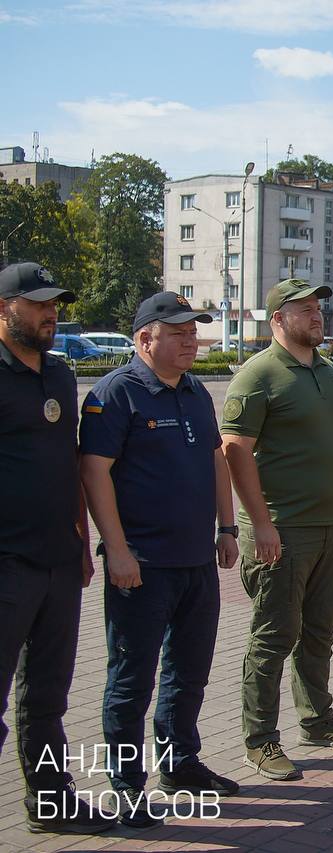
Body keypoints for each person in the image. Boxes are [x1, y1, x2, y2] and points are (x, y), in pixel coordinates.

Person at [80, 292, 238, 829]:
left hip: (196, 560)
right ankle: (126, 785)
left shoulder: (195, 391)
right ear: (146, 338)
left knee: (188, 672)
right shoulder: (115, 394)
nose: (192, 341)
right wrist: (117, 549)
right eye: (179, 333)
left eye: (194, 332)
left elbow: (216, 460)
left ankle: (180, 763)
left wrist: (227, 527)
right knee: (132, 680)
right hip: (142, 565)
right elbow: (94, 473)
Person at [222, 279, 333, 782]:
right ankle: (260, 740)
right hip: (281, 531)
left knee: (319, 631)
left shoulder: (328, 372)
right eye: (303, 309)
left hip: (328, 527)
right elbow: (235, 451)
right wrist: (261, 523)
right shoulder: (258, 375)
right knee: (273, 637)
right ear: (277, 320)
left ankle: (317, 719)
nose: (315, 315)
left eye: (317, 308)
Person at [0, 262, 114, 835]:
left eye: (55, 305)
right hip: (6, 563)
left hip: (58, 561)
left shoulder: (60, 375)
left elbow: (69, 462)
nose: (51, 314)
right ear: (4, 308)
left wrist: (82, 538)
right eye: (39, 304)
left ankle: (50, 802)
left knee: (47, 695)